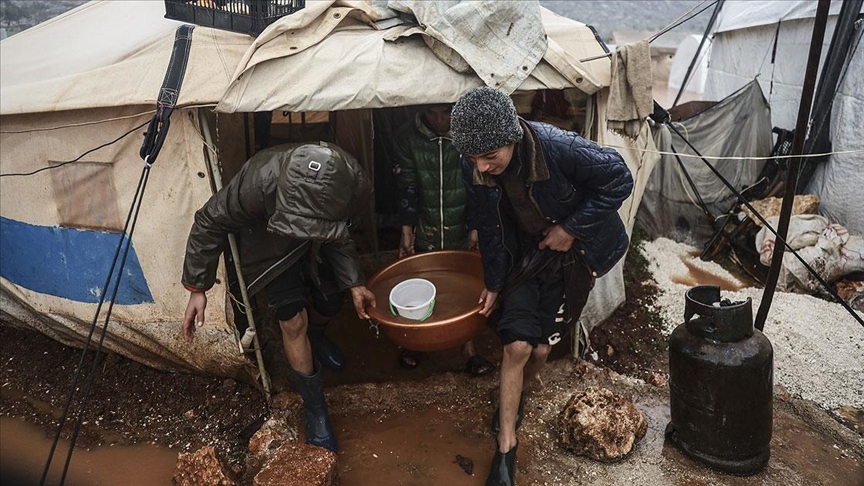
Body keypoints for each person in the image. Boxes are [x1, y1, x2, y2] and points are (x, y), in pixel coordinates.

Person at [450, 87, 633, 485]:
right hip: (521, 256)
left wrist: (571, 228)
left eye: (489, 156)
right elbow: (488, 225)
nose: (481, 167)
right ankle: (506, 444)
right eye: (472, 157)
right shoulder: (474, 164)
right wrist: (494, 281)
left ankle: (518, 396)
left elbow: (620, 179)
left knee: (542, 348)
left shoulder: (559, 147)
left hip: (570, 256)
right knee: (517, 345)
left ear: (512, 138)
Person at [180, 142, 377, 453]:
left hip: (323, 235)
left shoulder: (353, 183)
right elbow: (210, 220)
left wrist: (355, 283)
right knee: (292, 321)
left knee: (330, 301)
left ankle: (317, 335)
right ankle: (315, 408)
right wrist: (197, 287)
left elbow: (341, 230)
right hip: (270, 240)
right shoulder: (258, 181)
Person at [392, 104, 494, 376]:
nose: (439, 120)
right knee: (421, 278)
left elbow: (479, 183)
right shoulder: (407, 136)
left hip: (462, 220)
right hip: (426, 221)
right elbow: (407, 183)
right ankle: (417, 341)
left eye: (446, 112)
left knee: (465, 279)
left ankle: (468, 348)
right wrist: (407, 227)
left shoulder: (470, 133)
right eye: (431, 113)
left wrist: (475, 226)